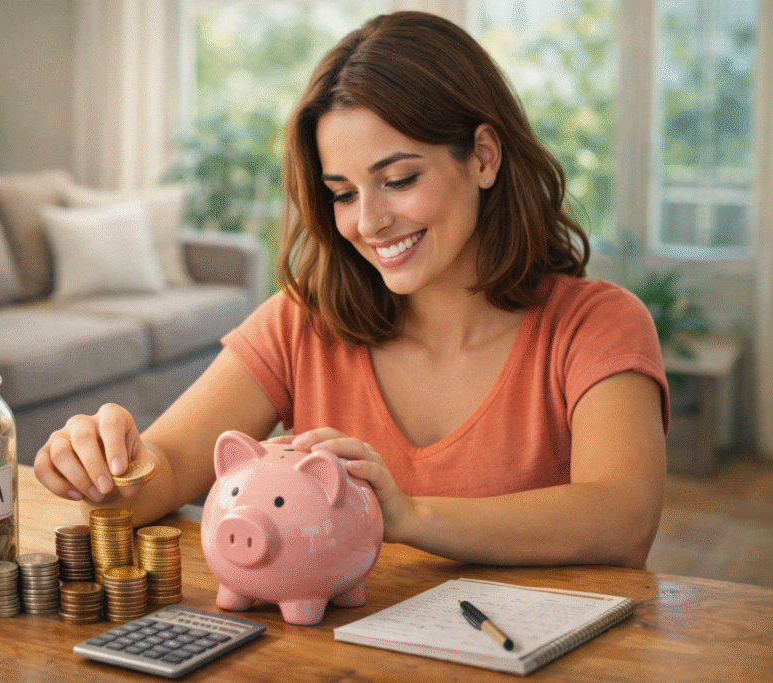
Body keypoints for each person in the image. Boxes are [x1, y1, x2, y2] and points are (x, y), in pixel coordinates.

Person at [35, 11, 668, 569]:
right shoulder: (301, 323)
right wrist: (102, 464)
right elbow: (168, 468)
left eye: (398, 179)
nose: (368, 223)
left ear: (482, 157)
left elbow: (620, 520)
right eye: (342, 193)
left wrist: (407, 515)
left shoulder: (597, 326)